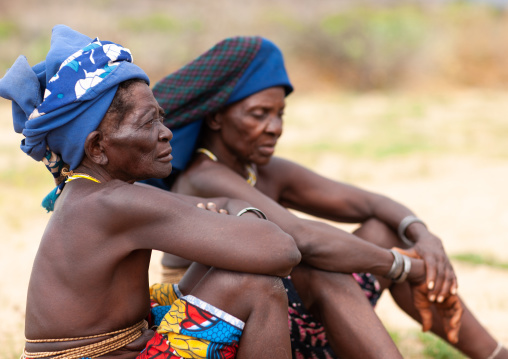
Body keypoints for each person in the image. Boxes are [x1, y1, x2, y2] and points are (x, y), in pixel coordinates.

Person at [147, 36, 507, 359]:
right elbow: (303, 239)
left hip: (291, 312)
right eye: (259, 114)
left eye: (280, 114)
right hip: (231, 322)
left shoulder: (262, 170)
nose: (274, 127)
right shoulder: (204, 176)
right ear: (215, 119)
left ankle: (493, 355)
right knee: (319, 267)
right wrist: (409, 266)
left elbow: (371, 204)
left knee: (386, 231)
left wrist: (425, 237)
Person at [0, 25, 303, 359]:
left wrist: (235, 227)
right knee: (256, 286)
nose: (167, 133)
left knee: (231, 271)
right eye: (148, 124)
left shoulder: (95, 193)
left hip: (125, 339)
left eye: (162, 119)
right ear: (98, 147)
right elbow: (282, 250)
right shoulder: (113, 202)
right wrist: (248, 218)